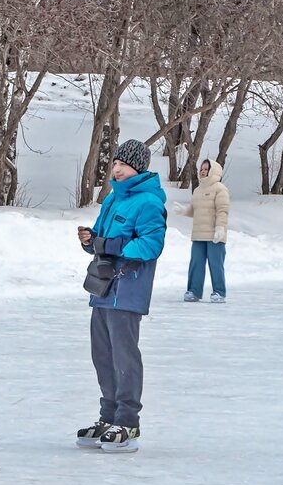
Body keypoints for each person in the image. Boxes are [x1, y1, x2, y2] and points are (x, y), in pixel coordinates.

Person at [75, 138, 166, 454]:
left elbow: (151, 245)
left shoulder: (150, 202)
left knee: (124, 356)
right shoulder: (113, 200)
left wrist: (114, 246)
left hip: (128, 290)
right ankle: (108, 417)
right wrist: (90, 240)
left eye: (122, 164)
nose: (116, 169)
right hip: (103, 288)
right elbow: (102, 239)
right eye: (115, 163)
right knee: (102, 356)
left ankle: (128, 422)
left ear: (137, 168)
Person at [174, 158, 230, 303]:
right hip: (199, 234)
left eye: (206, 169)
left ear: (213, 171)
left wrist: (220, 228)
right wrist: (183, 211)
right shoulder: (198, 190)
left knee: (215, 264)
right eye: (202, 169)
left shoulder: (220, 189)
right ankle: (194, 291)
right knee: (196, 263)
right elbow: (194, 210)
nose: (203, 172)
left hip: (215, 235)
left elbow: (222, 210)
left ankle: (219, 292)